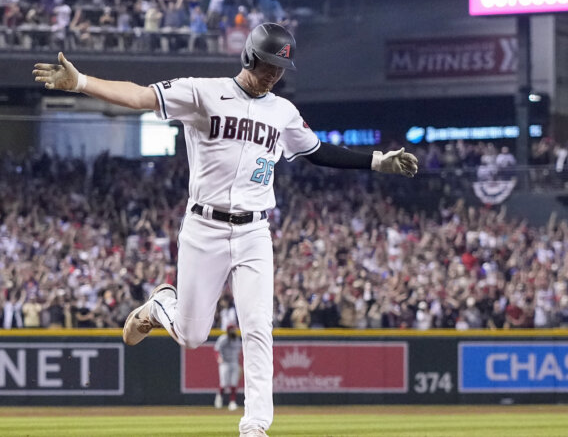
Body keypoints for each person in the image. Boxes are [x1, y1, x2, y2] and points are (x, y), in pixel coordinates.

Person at [32, 22, 418, 437]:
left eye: (280, 68)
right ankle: (161, 305)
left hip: (255, 231)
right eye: (268, 64)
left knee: (257, 326)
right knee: (193, 335)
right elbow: (142, 96)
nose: (274, 74)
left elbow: (319, 152)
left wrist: (376, 161)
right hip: (204, 227)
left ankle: (254, 427)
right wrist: (83, 82)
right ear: (249, 56)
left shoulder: (282, 111)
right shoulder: (203, 91)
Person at [215, 324, 243, 411]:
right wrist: (218, 357)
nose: (234, 331)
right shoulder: (223, 339)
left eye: (234, 330)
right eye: (232, 330)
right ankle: (219, 397)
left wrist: (240, 364)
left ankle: (232, 402)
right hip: (225, 363)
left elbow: (239, 352)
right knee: (224, 383)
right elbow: (216, 349)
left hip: (234, 362)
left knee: (234, 383)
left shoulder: (237, 340)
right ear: (228, 330)